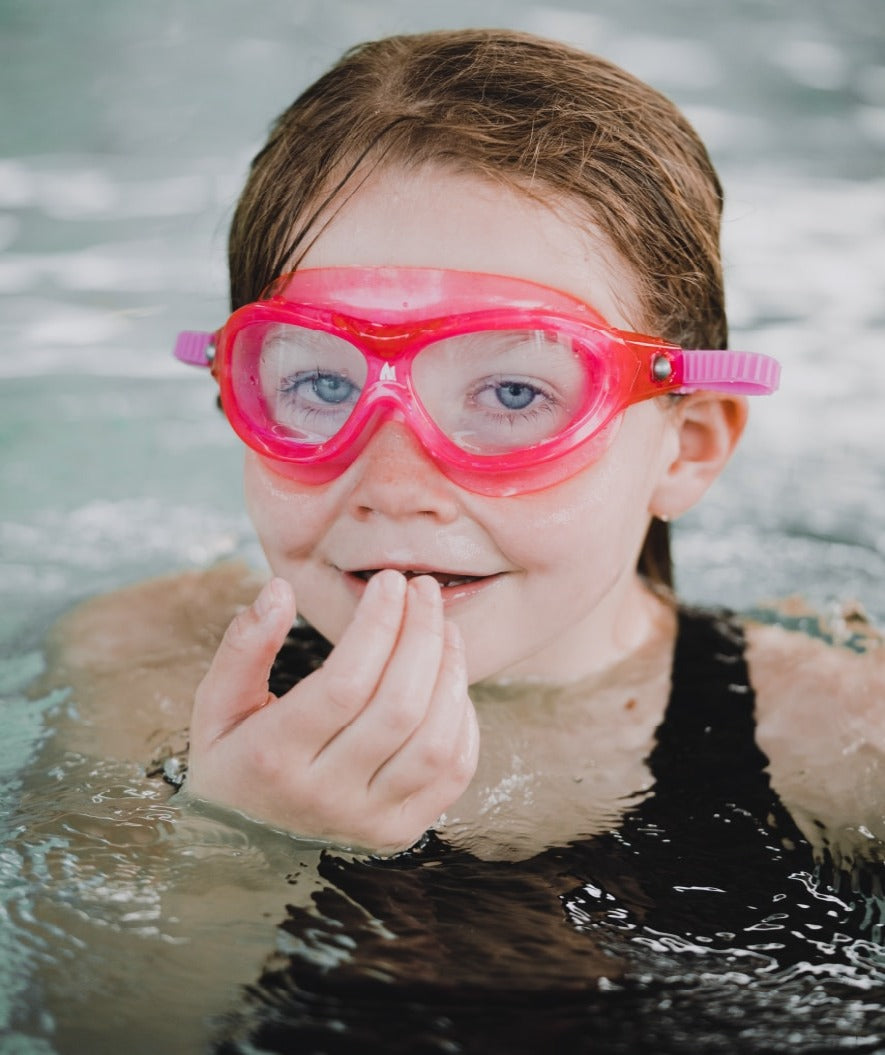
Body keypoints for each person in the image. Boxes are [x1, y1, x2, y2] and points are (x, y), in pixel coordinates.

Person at [46, 28, 884, 868]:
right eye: (322, 384)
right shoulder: (144, 664)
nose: (393, 486)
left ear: (684, 449)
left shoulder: (840, 742)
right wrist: (236, 838)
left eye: (514, 393)